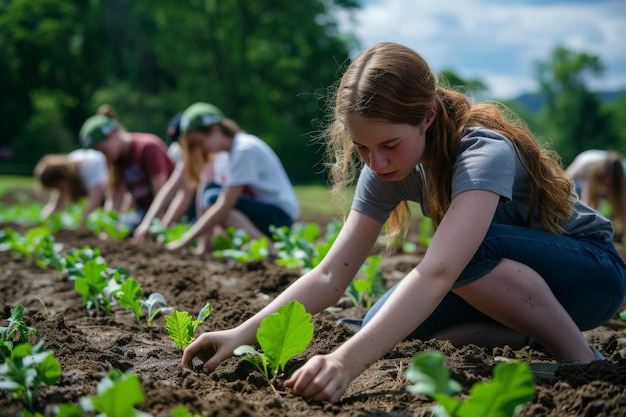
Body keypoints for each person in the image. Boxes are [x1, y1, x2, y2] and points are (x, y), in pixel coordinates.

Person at [180, 42, 626, 402]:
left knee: (466, 252)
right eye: (362, 148)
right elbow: (332, 274)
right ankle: (529, 337)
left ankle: (584, 361)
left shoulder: (482, 151)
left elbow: (441, 269)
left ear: (427, 116)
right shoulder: (384, 171)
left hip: (592, 275)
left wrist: (345, 363)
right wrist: (242, 333)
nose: (377, 161)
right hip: (520, 286)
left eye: (390, 144)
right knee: (383, 323)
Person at [163, 102, 299, 254]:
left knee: (214, 197)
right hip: (261, 214)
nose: (200, 149)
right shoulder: (224, 157)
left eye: (200, 142)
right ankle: (253, 243)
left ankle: (268, 247)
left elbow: (224, 205)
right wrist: (204, 244)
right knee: (211, 192)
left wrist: (183, 242)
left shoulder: (243, 149)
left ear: (215, 129)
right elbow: (207, 198)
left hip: (279, 217)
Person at [133, 112, 228, 244]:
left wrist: (199, 240)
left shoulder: (220, 153)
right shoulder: (184, 153)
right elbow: (175, 188)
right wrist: (157, 226)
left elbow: (206, 196)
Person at [79, 105, 175, 233]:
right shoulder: (117, 160)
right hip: (144, 212)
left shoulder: (147, 147)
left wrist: (157, 228)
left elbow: (161, 193)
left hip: (169, 209)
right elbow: (114, 200)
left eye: (103, 149)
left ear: (112, 135)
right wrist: (108, 230)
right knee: (122, 229)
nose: (104, 155)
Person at [34, 149, 108, 228]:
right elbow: (55, 204)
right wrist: (42, 224)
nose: (61, 189)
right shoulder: (70, 163)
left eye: (58, 186)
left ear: (62, 178)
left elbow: (96, 201)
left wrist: (81, 224)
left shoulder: (90, 164)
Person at [566, 149, 626, 242]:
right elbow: (563, 184)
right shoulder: (586, 163)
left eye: (608, 185)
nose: (604, 189)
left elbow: (621, 209)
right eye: (603, 183)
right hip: (585, 177)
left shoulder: (622, 174)